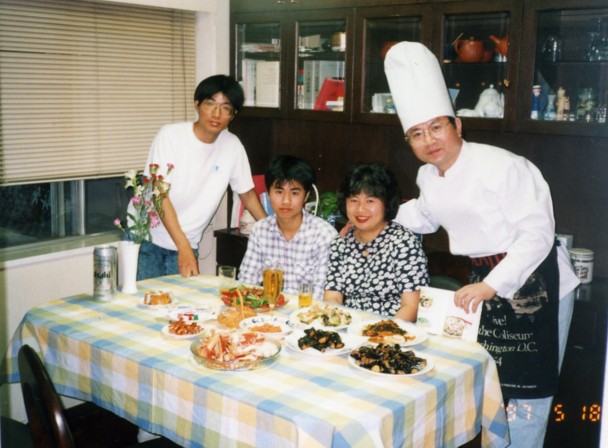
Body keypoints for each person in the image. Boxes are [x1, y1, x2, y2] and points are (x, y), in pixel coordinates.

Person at [384, 41, 580, 446]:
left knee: (525, 400)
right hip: (484, 283)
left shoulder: (503, 166)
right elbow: (425, 214)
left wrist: (492, 284)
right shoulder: (428, 177)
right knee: (489, 391)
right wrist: (377, 217)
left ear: (457, 126)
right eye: (417, 133)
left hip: (537, 282)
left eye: (436, 127)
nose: (429, 140)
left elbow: (537, 235)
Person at [135, 74, 266, 280]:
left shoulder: (232, 146)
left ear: (233, 115)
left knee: (183, 301)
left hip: (187, 242)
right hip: (148, 239)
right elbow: (159, 195)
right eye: (210, 104)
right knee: (146, 300)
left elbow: (247, 194)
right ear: (197, 104)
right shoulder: (170, 136)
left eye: (225, 107)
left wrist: (273, 231)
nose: (216, 113)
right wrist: (183, 247)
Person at [323, 163, 428, 322]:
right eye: (354, 200)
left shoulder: (404, 243)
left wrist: (378, 333)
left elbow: (411, 307)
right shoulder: (341, 242)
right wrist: (337, 323)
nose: (360, 209)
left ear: (386, 203)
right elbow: (332, 297)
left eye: (370, 201)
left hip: (392, 328)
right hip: (350, 326)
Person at [238, 155, 337, 299]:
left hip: (307, 311)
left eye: (295, 193)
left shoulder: (324, 235)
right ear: (268, 194)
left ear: (306, 196)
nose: (286, 201)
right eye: (279, 192)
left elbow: (320, 297)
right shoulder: (260, 230)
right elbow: (246, 283)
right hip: (269, 309)